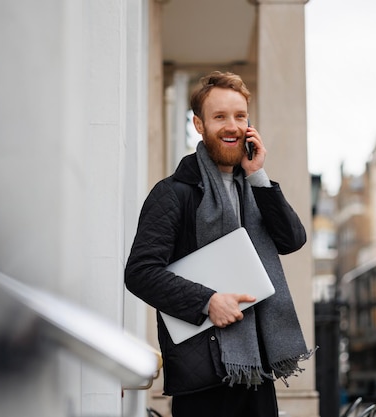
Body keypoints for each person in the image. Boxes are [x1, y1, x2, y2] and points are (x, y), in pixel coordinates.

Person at [124, 71, 313, 417]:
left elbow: (292, 239)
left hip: (258, 370)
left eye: (240, 116)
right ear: (199, 124)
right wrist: (207, 301)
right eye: (220, 117)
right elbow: (140, 273)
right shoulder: (173, 193)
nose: (232, 126)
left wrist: (259, 176)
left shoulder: (255, 187)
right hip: (204, 375)